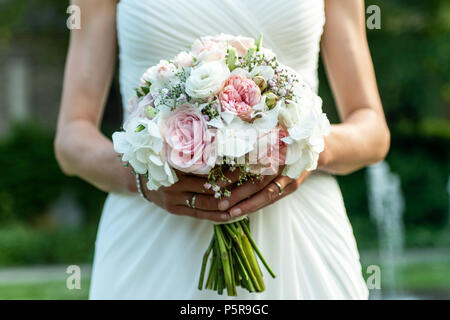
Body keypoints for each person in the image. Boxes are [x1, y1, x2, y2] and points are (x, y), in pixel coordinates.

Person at [55, 0, 390, 299]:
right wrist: (141, 176)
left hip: (299, 234)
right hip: (153, 235)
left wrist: (307, 150)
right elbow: (71, 138)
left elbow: (373, 130)